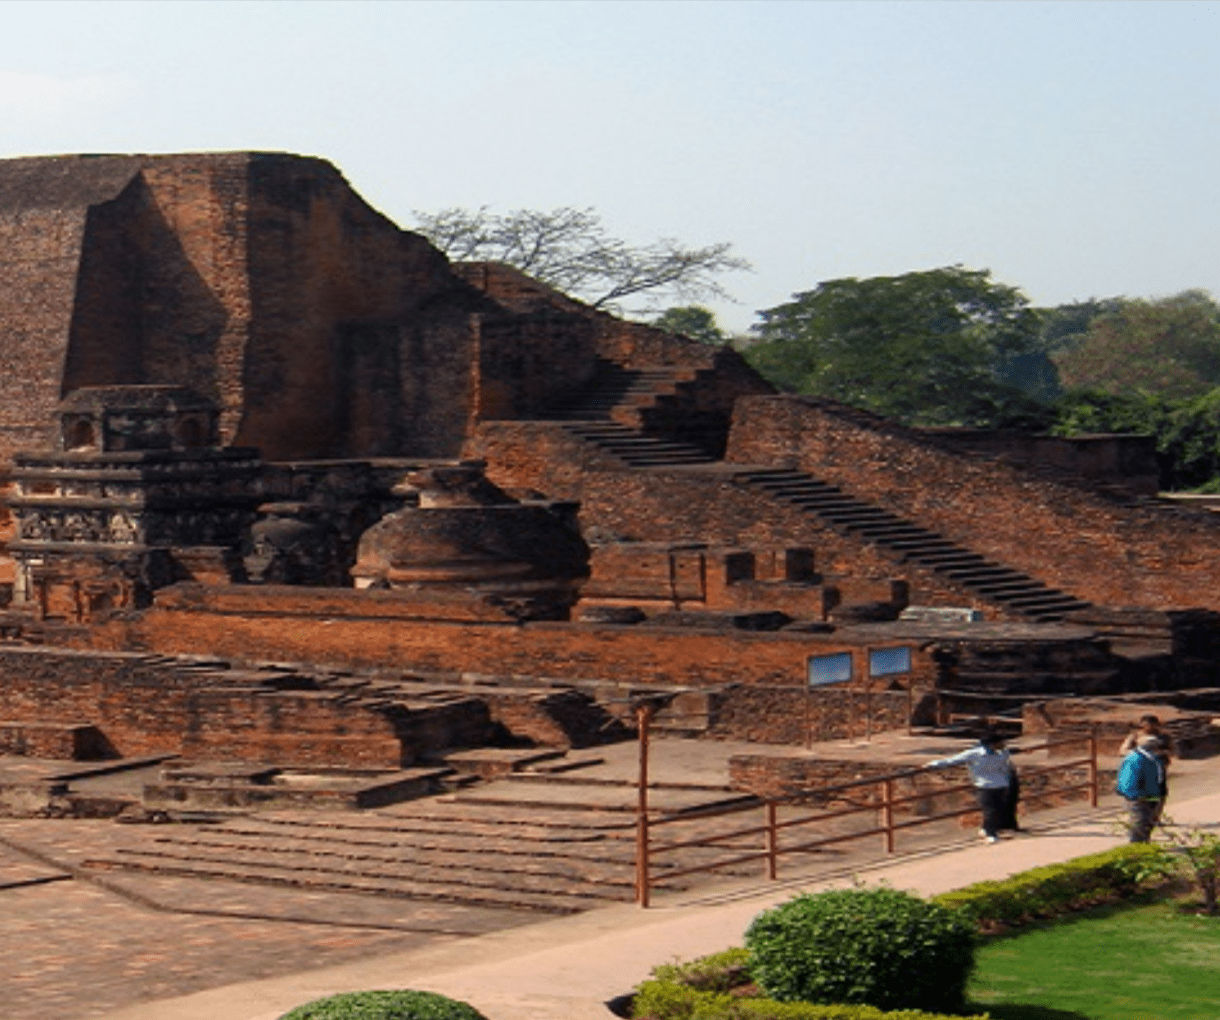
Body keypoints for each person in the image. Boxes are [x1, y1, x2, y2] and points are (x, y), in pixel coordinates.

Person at [924, 731, 1014, 844]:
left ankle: (985, 829)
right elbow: (953, 760)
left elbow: (1005, 765)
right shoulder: (974, 754)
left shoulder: (1003, 753)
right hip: (984, 786)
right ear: (991, 743)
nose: (1002, 744)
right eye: (999, 742)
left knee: (999, 809)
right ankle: (991, 833)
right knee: (990, 810)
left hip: (1001, 784)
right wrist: (933, 764)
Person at [1116, 737, 1165, 842]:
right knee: (1139, 823)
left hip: (1150, 794)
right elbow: (1129, 780)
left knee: (1147, 822)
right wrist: (1137, 795)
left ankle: (1143, 843)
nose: (1156, 747)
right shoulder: (1137, 759)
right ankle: (1137, 846)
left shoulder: (1150, 758)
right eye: (1154, 744)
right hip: (1140, 797)